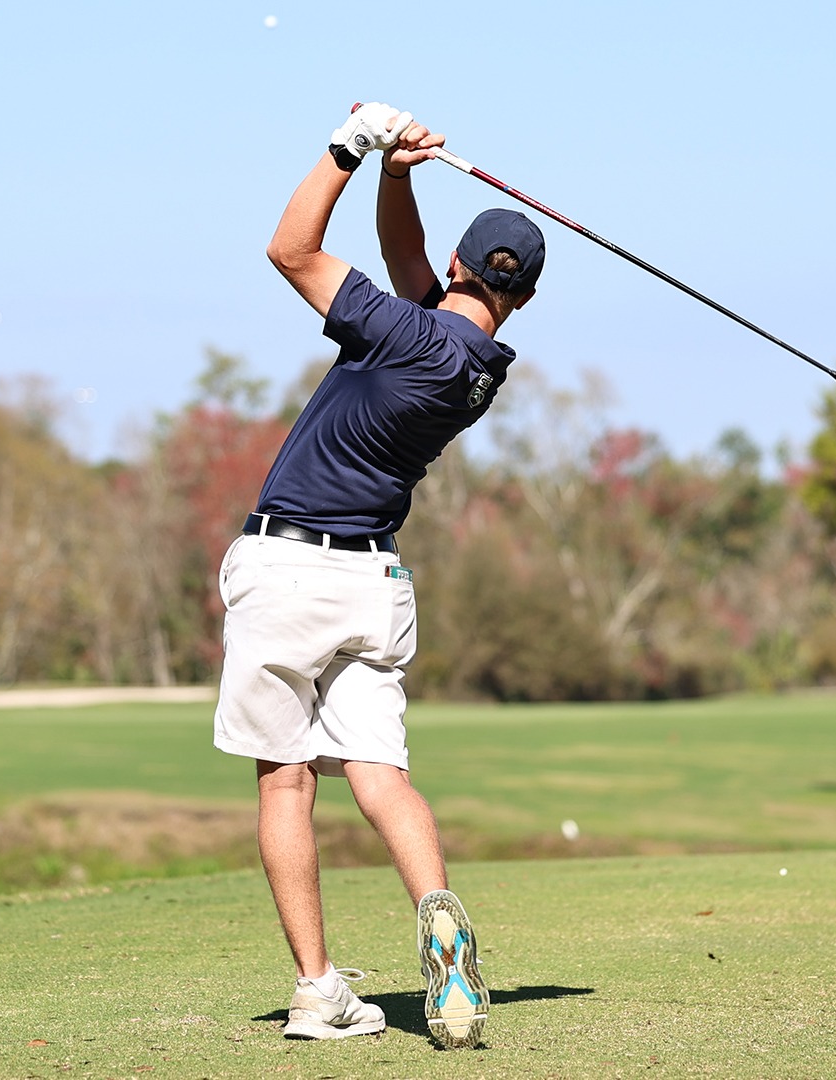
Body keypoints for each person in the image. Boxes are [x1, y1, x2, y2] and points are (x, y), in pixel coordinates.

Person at [212, 102, 544, 1049]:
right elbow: (413, 272)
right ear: (517, 298)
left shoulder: (401, 333)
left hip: (287, 569)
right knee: (380, 773)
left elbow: (289, 249)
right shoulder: (479, 362)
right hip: (373, 587)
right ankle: (437, 908)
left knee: (286, 782)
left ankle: (318, 989)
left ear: (458, 270)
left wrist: (348, 149)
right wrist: (399, 177)